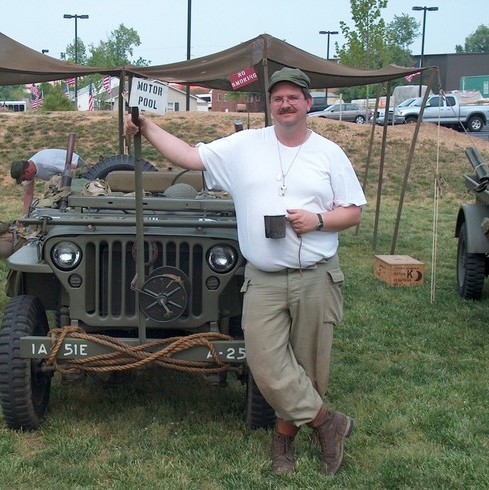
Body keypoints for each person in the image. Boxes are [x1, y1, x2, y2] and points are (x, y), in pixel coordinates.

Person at [125, 67, 367, 476]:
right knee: (265, 362)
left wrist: (319, 221)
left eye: (294, 97)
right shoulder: (244, 146)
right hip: (264, 275)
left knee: (307, 366)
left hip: (315, 274)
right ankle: (330, 423)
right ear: (269, 105)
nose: (285, 104)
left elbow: (354, 212)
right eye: (278, 98)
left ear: (309, 103)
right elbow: (189, 156)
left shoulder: (330, 153)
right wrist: (147, 126)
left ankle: (283, 446)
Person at [10, 148, 82, 216]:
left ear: (27, 171)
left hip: (78, 166)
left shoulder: (47, 163)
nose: (24, 180)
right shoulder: (29, 169)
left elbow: (72, 167)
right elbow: (28, 194)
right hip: (64, 176)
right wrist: (24, 216)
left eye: (24, 178)